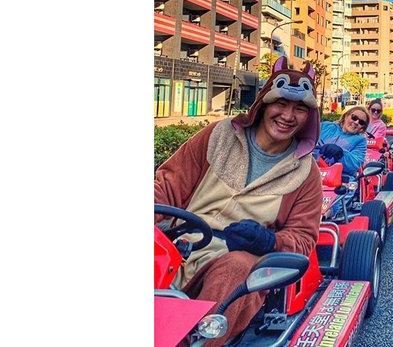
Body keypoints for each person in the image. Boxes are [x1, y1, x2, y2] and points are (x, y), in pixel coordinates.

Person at [154, 57, 323, 345]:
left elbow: (304, 237)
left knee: (235, 268)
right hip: (178, 243)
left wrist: (269, 242)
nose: (288, 115)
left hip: (237, 259)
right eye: (281, 103)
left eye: (299, 109)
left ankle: (196, 340)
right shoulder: (218, 136)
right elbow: (167, 185)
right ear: (264, 103)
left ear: (309, 116)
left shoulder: (306, 173)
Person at [315, 105, 370, 176]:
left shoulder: (361, 141)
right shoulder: (325, 126)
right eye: (354, 117)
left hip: (338, 177)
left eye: (361, 122)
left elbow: (355, 164)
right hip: (312, 169)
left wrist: (340, 153)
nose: (356, 122)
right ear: (346, 116)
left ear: (362, 128)